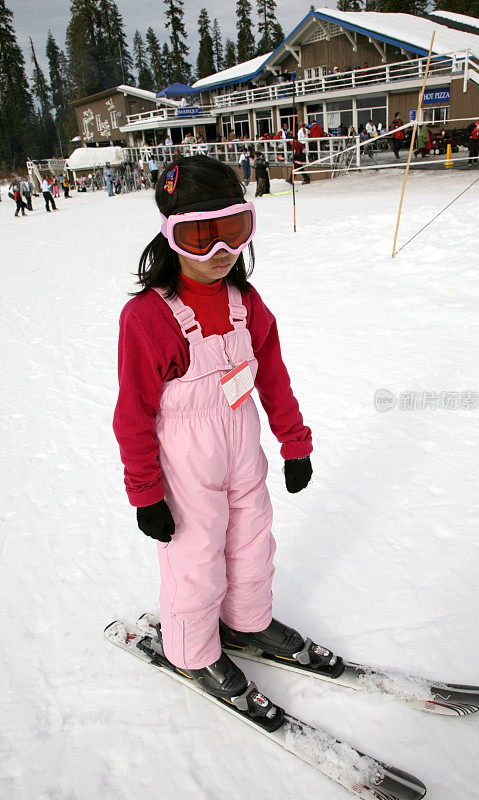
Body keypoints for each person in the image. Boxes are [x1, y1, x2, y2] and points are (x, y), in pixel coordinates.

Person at [112, 156, 313, 707]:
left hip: (242, 452)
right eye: (200, 236)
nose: (220, 251)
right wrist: (146, 493)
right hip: (186, 466)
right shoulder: (149, 318)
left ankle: (246, 622)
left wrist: (295, 443)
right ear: (170, 236)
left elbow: (272, 377)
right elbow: (132, 415)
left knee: (252, 542)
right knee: (196, 559)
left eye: (233, 231)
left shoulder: (247, 305)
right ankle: (191, 650)